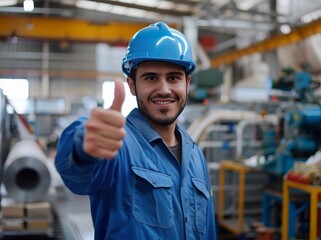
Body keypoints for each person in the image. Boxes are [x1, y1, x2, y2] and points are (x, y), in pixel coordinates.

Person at [55, 22, 216, 240]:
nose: (164, 89)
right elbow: (79, 175)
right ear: (132, 85)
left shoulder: (196, 156)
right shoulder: (117, 145)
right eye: (151, 78)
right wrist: (82, 145)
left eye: (173, 77)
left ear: (187, 83)